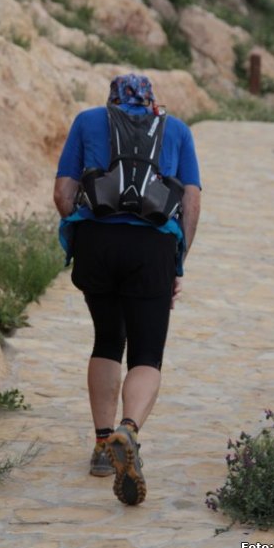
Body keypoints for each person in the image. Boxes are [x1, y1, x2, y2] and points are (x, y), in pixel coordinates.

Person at [53, 73, 201, 506]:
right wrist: (177, 260)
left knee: (106, 339)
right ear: (151, 101)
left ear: (113, 101)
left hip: (97, 244)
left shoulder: (88, 120)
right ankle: (128, 429)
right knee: (146, 353)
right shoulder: (177, 130)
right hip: (152, 247)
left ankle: (103, 445)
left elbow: (62, 193)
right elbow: (191, 203)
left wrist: (82, 229)